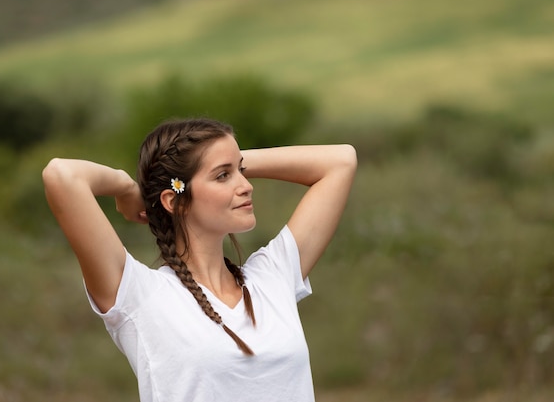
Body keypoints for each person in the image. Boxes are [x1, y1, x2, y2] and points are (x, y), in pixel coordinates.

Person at [42, 117, 357, 402]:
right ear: (174, 201)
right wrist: (127, 187)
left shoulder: (272, 276)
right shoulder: (141, 296)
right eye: (223, 176)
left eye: (241, 172)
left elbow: (341, 161)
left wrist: (230, 158)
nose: (246, 186)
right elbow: (61, 175)